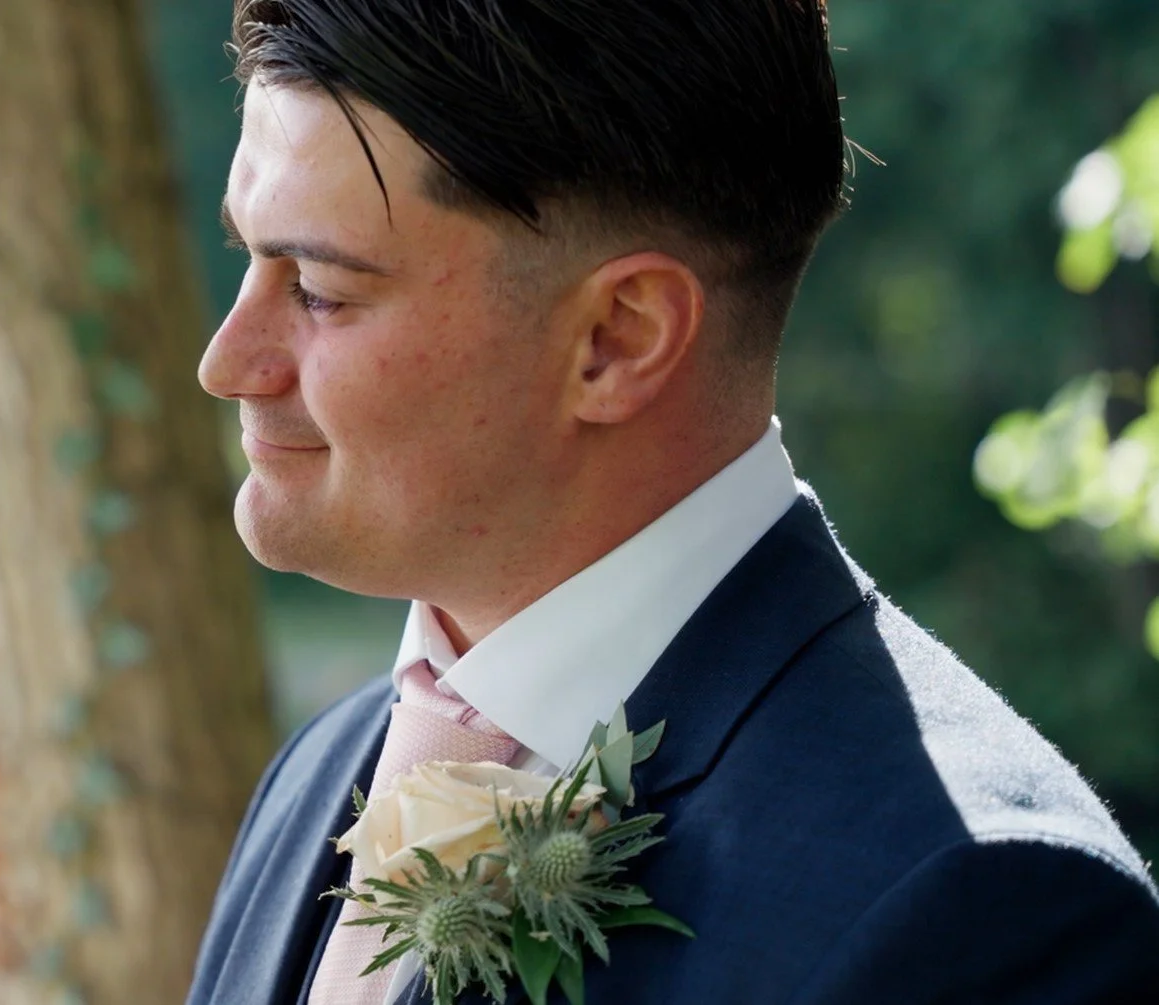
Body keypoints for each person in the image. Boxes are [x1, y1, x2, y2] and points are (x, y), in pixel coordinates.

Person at [188, 2, 1159, 1003]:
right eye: (246, 258)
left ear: (616, 337)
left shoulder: (982, 914)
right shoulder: (319, 777)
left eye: (316, 289)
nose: (226, 364)